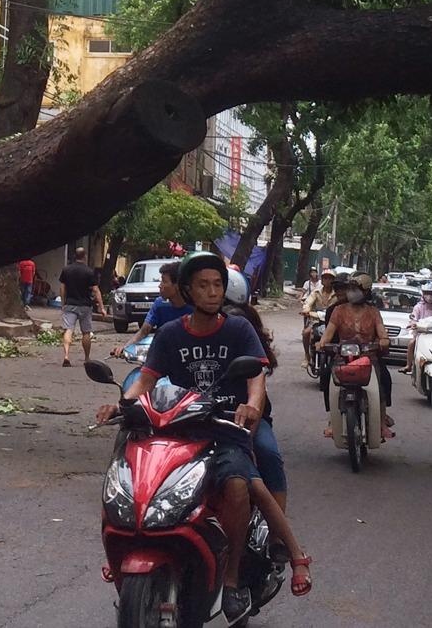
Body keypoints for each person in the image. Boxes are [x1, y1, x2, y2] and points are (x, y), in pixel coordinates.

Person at [95, 253, 313, 617]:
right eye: (203, 285)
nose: (212, 292)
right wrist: (120, 405)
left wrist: (252, 408)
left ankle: (233, 577)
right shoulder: (170, 334)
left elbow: (255, 379)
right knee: (133, 471)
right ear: (187, 291)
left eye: (217, 285)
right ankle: (128, 543)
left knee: (242, 482)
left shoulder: (239, 330)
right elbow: (146, 380)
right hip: (182, 426)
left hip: (229, 425)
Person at [223, 270, 289, 511]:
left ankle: (277, 536)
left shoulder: (242, 323)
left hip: (246, 413)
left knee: (267, 453)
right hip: (200, 413)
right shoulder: (185, 326)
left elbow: (258, 378)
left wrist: (252, 411)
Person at [318, 272, 393, 438]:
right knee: (328, 379)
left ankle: (381, 422)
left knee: (382, 381)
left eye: (355, 289)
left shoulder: (373, 312)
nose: (351, 292)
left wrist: (384, 340)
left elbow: (382, 333)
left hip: (369, 356)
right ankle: (332, 420)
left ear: (366, 292)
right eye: (350, 288)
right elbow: (328, 334)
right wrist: (322, 343)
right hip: (342, 357)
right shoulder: (338, 310)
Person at [109, 263, 192, 357]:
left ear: (177, 286)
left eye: (164, 281)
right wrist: (126, 347)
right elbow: (143, 331)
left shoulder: (195, 307)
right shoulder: (159, 304)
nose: (160, 286)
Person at [58, 247, 103, 367]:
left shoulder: (66, 270)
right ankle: (87, 358)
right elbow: (95, 290)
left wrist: (63, 303)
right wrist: (101, 307)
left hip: (70, 304)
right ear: (85, 256)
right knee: (86, 332)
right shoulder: (89, 272)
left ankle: (66, 355)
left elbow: (62, 288)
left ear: (75, 256)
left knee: (68, 330)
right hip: (85, 306)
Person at [401, 281, 432, 375]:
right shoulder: (418, 307)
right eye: (427, 293)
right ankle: (409, 365)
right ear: (423, 294)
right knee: (412, 343)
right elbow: (413, 318)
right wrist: (413, 323)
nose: (429, 296)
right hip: (421, 336)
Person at [299, 269, 336, 364]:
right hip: (317, 320)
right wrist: (306, 309)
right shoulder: (316, 292)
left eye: (330, 278)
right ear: (322, 280)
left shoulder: (337, 294)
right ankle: (307, 356)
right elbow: (308, 302)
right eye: (325, 278)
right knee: (306, 333)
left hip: (333, 321)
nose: (327, 280)